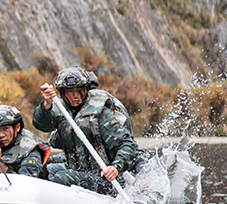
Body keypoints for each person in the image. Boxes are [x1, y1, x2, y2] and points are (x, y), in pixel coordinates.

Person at [32, 66, 145, 196]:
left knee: (61, 178)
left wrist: (115, 167)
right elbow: (42, 125)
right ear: (62, 93)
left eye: (79, 90)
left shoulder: (101, 114)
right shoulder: (61, 111)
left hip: (104, 180)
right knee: (42, 172)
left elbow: (127, 144)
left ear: (87, 88)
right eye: (70, 91)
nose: (75, 96)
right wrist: (46, 105)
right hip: (78, 171)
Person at [0, 105, 50, 178]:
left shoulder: (29, 148)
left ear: (17, 127)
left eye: (6, 128)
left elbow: (25, 183)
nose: (1, 135)